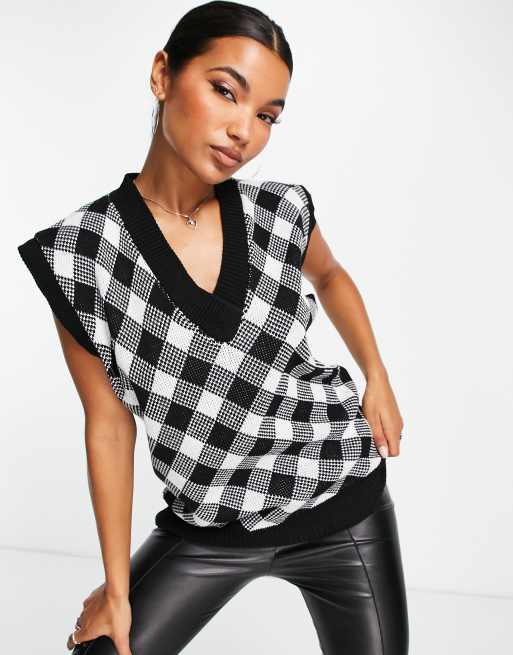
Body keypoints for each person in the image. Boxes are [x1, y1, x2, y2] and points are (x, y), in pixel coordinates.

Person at [17, 2, 408, 654]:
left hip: (342, 501)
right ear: (162, 74)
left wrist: (377, 376)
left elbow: (331, 274)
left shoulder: (278, 210)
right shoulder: (81, 254)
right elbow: (108, 423)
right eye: (225, 91)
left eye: (266, 116)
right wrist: (118, 590)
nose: (243, 131)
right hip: (210, 526)